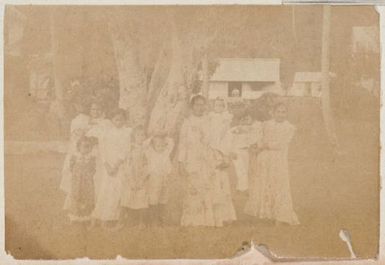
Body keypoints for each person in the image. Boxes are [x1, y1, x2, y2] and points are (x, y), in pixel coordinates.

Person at [244, 103, 299, 225]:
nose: (281, 114)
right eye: (278, 112)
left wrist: (265, 145)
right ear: (273, 113)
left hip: (279, 160)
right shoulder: (266, 125)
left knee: (279, 185)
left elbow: (282, 144)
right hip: (264, 158)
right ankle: (264, 213)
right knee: (264, 184)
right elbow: (260, 139)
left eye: (283, 112)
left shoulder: (289, 127)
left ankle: (280, 216)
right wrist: (256, 146)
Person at [178, 95, 217, 227]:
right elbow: (182, 143)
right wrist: (181, 161)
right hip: (191, 158)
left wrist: (212, 157)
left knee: (206, 186)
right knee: (193, 188)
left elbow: (213, 141)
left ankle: (206, 220)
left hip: (206, 158)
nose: (200, 108)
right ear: (192, 107)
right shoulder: (187, 122)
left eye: (202, 105)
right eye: (197, 105)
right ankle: (191, 221)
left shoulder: (209, 121)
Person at [92, 109, 132, 229]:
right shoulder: (107, 133)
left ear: (125, 120)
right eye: (116, 119)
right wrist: (106, 165)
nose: (118, 122)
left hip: (119, 166)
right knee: (106, 190)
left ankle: (115, 217)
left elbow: (125, 150)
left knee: (118, 191)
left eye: (121, 119)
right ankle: (103, 217)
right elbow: (102, 149)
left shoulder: (127, 133)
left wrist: (116, 165)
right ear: (112, 120)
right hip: (108, 166)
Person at [207, 97, 237, 226]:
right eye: (216, 105)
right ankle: (211, 216)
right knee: (212, 184)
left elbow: (228, 139)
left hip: (222, 153)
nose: (218, 107)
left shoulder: (226, 122)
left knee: (223, 184)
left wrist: (225, 155)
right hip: (211, 152)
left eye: (221, 105)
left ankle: (225, 216)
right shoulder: (210, 120)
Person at [222, 110, 262, 192]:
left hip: (245, 151)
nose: (244, 122)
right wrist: (230, 151)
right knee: (240, 170)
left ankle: (242, 188)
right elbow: (228, 140)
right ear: (239, 120)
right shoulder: (234, 130)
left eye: (247, 119)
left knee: (245, 169)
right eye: (242, 119)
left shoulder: (250, 130)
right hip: (236, 151)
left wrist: (250, 132)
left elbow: (253, 140)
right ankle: (242, 190)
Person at [120, 126, 150, 228]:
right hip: (130, 177)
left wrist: (142, 179)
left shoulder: (147, 150)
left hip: (141, 177)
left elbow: (147, 165)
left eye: (143, 135)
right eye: (138, 135)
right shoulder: (130, 149)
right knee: (126, 198)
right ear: (134, 136)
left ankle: (141, 222)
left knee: (142, 199)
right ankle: (121, 222)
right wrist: (131, 180)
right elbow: (127, 165)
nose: (141, 137)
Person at [144, 133, 174, 225]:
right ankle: (153, 220)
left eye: (162, 145)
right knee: (153, 198)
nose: (160, 148)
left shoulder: (166, 153)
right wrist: (153, 136)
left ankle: (161, 218)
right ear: (153, 146)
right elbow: (145, 144)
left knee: (163, 197)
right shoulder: (150, 153)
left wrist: (164, 136)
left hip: (165, 178)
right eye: (158, 146)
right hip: (154, 178)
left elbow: (172, 142)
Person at [66, 136, 97, 223]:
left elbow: (93, 169)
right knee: (76, 195)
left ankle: (86, 215)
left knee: (87, 196)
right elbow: (71, 168)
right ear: (79, 147)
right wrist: (77, 175)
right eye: (84, 147)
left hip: (87, 181)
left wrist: (88, 175)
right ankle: (75, 215)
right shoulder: (75, 157)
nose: (87, 149)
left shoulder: (92, 158)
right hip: (77, 180)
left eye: (89, 147)